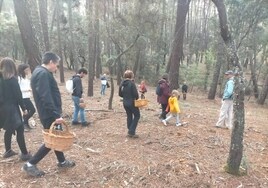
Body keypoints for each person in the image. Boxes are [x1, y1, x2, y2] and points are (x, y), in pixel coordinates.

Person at [22, 52, 75, 177]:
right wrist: (56, 114)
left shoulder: (40, 72)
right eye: (56, 64)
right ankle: (30, 164)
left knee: (56, 137)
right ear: (51, 62)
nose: (56, 67)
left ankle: (62, 161)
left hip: (49, 112)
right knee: (51, 140)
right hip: (49, 114)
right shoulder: (43, 74)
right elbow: (45, 96)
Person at [0, 58, 32, 161]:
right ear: (12, 67)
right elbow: (18, 96)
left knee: (8, 129)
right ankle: (25, 153)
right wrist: (24, 109)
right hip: (12, 109)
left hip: (2, 109)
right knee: (20, 129)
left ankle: (8, 151)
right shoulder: (12, 80)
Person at [119, 70, 140, 138]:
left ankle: (130, 130)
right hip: (132, 102)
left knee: (129, 116)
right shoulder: (131, 83)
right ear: (131, 76)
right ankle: (131, 131)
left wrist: (125, 96)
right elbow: (135, 94)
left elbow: (120, 94)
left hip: (125, 103)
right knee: (137, 115)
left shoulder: (122, 83)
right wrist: (136, 98)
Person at [18, 64, 36, 131]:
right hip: (23, 97)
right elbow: (17, 89)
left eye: (28, 69)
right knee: (32, 110)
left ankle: (25, 124)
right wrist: (26, 90)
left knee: (28, 111)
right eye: (26, 70)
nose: (28, 71)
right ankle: (24, 123)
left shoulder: (26, 77)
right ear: (22, 70)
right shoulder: (19, 78)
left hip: (27, 97)